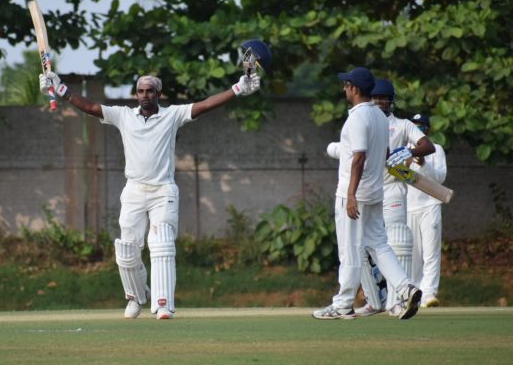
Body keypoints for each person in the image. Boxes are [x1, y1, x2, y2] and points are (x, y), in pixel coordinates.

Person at [38, 41, 271, 320]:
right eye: (140, 91)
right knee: (127, 248)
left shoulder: (172, 115)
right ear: (135, 94)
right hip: (134, 190)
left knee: (161, 243)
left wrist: (237, 89)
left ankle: (163, 304)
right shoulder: (124, 116)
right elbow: (89, 106)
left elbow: (206, 105)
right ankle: (136, 298)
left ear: (159, 93)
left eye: (150, 91)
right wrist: (60, 88)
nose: (145, 95)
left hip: (163, 190)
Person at [313, 66, 421, 320]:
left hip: (356, 195)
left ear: (355, 89)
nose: (344, 88)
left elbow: (359, 158)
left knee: (350, 249)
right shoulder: (380, 118)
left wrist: (350, 195)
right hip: (375, 193)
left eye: (346, 85)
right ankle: (406, 288)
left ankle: (343, 304)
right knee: (379, 246)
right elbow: (383, 155)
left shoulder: (358, 118)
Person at [355, 79, 435, 317]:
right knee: (358, 246)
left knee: (396, 242)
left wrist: (407, 151)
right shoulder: (364, 121)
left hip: (393, 191)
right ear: (369, 98)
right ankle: (374, 300)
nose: (379, 101)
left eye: (384, 98)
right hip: (367, 191)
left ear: (391, 101)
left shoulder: (402, 125)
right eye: (376, 97)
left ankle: (398, 301)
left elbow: (427, 145)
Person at [406, 114, 447, 308]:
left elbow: (440, 178)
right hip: (408, 206)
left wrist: (423, 163)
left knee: (431, 251)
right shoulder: (403, 151)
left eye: (421, 127)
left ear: (427, 130)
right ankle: (414, 293)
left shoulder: (436, 150)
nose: (418, 130)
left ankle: (429, 293)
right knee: (412, 253)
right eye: (415, 127)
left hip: (430, 205)